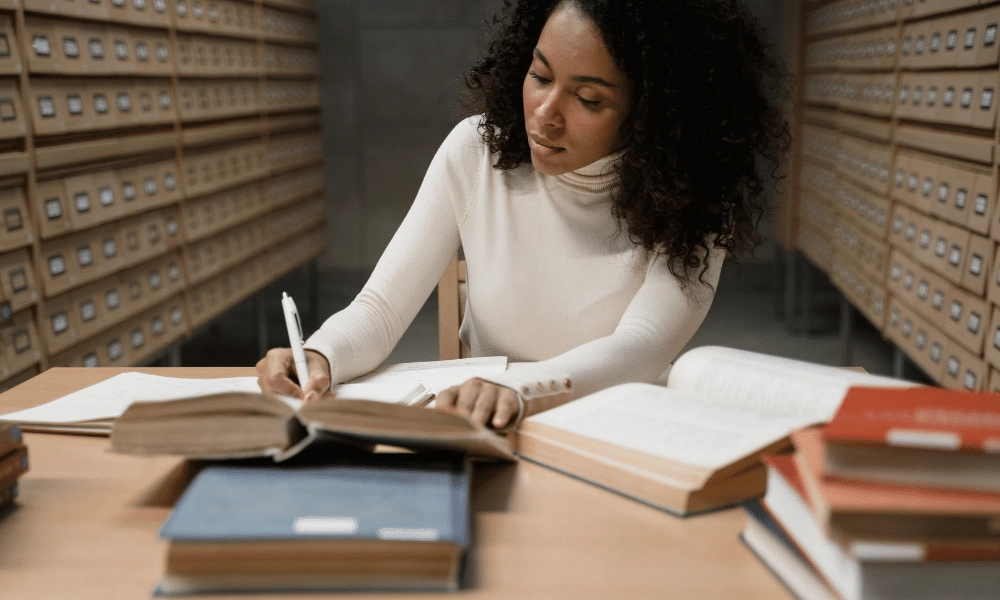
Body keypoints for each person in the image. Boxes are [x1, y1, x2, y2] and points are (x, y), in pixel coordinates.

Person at [257, 0, 789, 429]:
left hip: (615, 431)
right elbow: (379, 309)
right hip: (492, 431)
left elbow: (642, 348)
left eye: (588, 99)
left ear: (652, 115)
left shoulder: (695, 200)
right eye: (540, 75)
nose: (546, 113)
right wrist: (320, 355)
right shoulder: (475, 153)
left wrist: (520, 388)